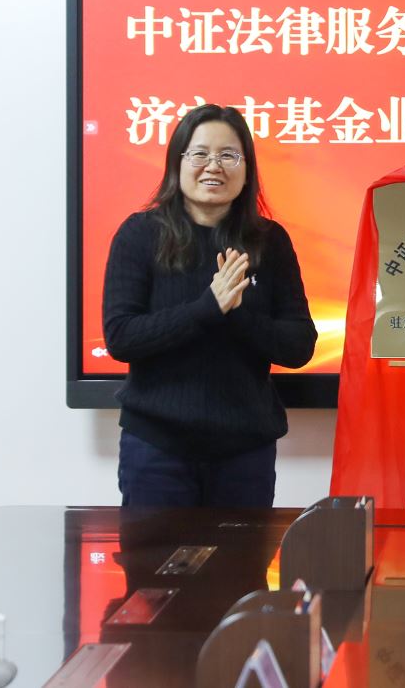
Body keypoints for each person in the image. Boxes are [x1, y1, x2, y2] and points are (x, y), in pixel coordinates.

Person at [103, 103, 317, 507]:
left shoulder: (269, 242)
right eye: (200, 154)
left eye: (229, 155)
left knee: (241, 553)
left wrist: (235, 313)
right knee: (154, 553)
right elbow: (121, 337)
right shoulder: (140, 235)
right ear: (177, 163)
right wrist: (207, 308)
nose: (213, 166)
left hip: (245, 450)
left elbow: (299, 345)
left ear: (247, 169)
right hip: (156, 447)